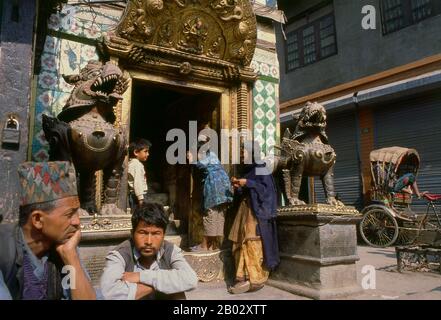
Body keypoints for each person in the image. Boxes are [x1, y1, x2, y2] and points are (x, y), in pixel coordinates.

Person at [0, 161, 96, 300]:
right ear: (38, 219)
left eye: (77, 213)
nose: (77, 222)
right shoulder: (4, 250)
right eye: (69, 214)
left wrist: (71, 257)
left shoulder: (63, 249)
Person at [100, 203, 198, 300]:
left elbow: (191, 280)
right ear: (132, 233)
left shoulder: (171, 250)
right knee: (175, 285)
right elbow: (108, 293)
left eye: (156, 234)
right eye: (143, 233)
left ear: (164, 235)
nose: (149, 242)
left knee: (178, 294)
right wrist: (162, 285)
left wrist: (141, 277)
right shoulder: (120, 254)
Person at [228, 141, 280, 294]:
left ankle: (255, 278)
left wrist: (249, 183)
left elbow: (267, 192)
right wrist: (239, 186)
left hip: (256, 214)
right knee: (239, 242)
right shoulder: (249, 170)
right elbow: (247, 191)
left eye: (244, 153)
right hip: (245, 211)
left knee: (251, 241)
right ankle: (241, 277)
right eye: (242, 153)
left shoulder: (262, 168)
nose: (242, 156)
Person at [187, 135, 233, 252]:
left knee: (211, 214)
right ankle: (213, 244)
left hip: (214, 186)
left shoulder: (205, 154)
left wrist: (192, 160)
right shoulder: (212, 154)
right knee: (219, 214)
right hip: (223, 185)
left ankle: (204, 246)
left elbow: (201, 166)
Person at [128, 139, 151, 212]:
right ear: (136, 152)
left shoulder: (133, 163)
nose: (148, 154)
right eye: (145, 151)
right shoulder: (136, 165)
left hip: (136, 196)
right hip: (138, 196)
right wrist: (141, 199)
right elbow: (137, 183)